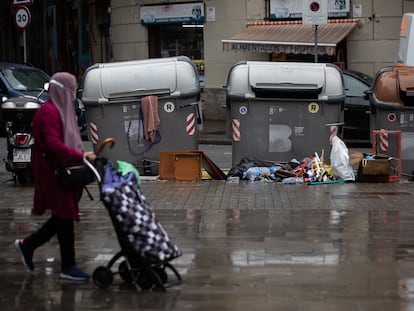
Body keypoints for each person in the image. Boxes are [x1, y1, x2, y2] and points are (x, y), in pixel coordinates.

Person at [14, 72, 96, 281]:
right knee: (64, 214)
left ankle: (28, 245)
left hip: (60, 168)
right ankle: (68, 266)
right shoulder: (49, 113)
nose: (73, 96)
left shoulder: (58, 110)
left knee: (62, 215)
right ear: (62, 90)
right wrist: (80, 155)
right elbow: (52, 144)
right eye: (71, 91)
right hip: (53, 171)